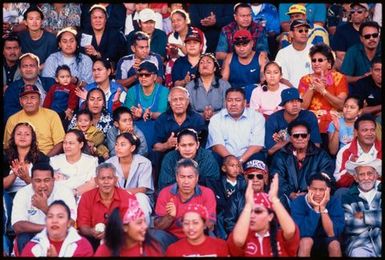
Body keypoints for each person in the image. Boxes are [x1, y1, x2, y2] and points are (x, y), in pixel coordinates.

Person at [11, 163, 77, 255]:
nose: (42, 185)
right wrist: (48, 228)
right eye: (38, 181)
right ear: (32, 181)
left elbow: (70, 223)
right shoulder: (22, 193)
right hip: (33, 236)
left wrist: (45, 208)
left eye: (47, 180)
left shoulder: (65, 192)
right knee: (23, 238)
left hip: (59, 235)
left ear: (53, 180)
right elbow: (18, 226)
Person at [227, 174, 300, 256]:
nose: (252, 216)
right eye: (250, 212)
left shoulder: (280, 237)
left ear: (270, 216)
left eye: (258, 211)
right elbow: (238, 241)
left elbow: (290, 231)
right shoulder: (244, 237)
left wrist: (274, 199)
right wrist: (248, 206)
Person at [270, 120, 335, 210]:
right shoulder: (281, 155)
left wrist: (309, 193)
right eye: (296, 136)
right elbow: (277, 178)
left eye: (303, 135)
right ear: (290, 138)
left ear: (308, 137)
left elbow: (326, 177)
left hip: (313, 196)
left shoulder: (321, 155)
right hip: (287, 198)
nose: (300, 138)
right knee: (277, 198)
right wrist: (290, 194)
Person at [76, 162, 138, 251]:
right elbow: (83, 226)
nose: (106, 182)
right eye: (102, 178)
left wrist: (111, 233)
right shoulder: (86, 197)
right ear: (96, 180)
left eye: (110, 178)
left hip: (120, 239)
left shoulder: (128, 197)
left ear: (116, 180)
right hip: (94, 239)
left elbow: (133, 225)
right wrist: (91, 231)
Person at [298, 43, 348, 149]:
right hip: (312, 127)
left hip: (334, 126)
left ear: (329, 63)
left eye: (320, 60)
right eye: (313, 60)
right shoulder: (305, 80)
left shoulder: (339, 78)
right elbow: (302, 107)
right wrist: (312, 88)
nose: (316, 63)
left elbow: (341, 105)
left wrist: (323, 91)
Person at [154, 159, 217, 242]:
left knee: (212, 238)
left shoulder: (207, 193)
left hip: (198, 236)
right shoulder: (165, 193)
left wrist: (194, 219)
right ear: (176, 177)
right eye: (182, 177)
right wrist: (170, 217)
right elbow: (158, 227)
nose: (186, 182)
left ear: (197, 178)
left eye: (190, 177)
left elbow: (210, 225)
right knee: (156, 236)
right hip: (172, 237)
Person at [152, 87, 207, 174]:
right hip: (169, 156)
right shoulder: (162, 119)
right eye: (174, 100)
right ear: (170, 103)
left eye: (181, 99)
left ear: (187, 101)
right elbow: (155, 147)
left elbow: (201, 145)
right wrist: (167, 145)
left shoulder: (197, 119)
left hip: (193, 154)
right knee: (156, 155)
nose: (178, 103)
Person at [206, 87, 265, 166]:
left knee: (258, 157)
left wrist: (240, 161)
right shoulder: (216, 119)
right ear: (225, 102)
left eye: (238, 100)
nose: (233, 104)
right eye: (229, 100)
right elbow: (217, 145)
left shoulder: (257, 117)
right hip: (224, 158)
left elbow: (257, 146)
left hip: (248, 158)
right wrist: (232, 163)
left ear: (244, 103)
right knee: (213, 157)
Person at [291, 173, 344, 257]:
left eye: (322, 190)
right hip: (305, 241)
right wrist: (315, 209)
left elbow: (332, 233)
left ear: (328, 190)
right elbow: (303, 232)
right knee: (306, 242)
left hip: (326, 240)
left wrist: (322, 208)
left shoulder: (334, 202)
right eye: (314, 189)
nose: (317, 193)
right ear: (308, 189)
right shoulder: (298, 202)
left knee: (335, 244)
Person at [4, 84, 65, 157]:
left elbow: (60, 143)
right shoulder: (12, 119)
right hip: (22, 161)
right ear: (20, 101)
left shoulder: (52, 115)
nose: (29, 101)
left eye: (33, 97)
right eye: (25, 98)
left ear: (40, 100)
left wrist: (45, 160)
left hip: (49, 159)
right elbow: (7, 147)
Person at [120, 61, 169, 150]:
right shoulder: (132, 91)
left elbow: (164, 114)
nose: (143, 77)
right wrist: (134, 116)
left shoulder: (163, 91)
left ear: (154, 77)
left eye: (147, 75)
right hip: (135, 129)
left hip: (157, 128)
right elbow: (126, 114)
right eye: (140, 75)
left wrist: (150, 114)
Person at [21, 200, 93, 257]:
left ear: (68, 223)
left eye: (60, 217)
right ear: (45, 221)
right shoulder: (33, 246)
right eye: (50, 216)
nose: (54, 221)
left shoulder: (82, 246)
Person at [94, 199, 164, 256]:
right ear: (124, 227)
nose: (145, 226)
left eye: (144, 221)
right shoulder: (105, 251)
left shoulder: (152, 248)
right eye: (139, 223)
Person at [342, 157, 382, 257]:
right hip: (359, 244)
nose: (366, 178)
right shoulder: (347, 197)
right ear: (356, 178)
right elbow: (348, 226)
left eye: (369, 173)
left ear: (376, 175)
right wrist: (377, 219)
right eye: (361, 174)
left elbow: (355, 221)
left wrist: (364, 216)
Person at [105, 132, 153, 215]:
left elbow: (143, 189)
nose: (118, 148)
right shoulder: (109, 163)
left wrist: (121, 193)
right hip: (115, 198)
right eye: (116, 144)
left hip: (138, 197)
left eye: (122, 145)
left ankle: (142, 227)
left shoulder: (144, 163)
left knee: (140, 197)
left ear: (132, 148)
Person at [265, 88, 321, 157]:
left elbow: (316, 146)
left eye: (297, 101)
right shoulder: (273, 119)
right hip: (282, 158)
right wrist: (292, 140)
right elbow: (270, 150)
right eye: (290, 101)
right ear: (283, 105)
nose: (295, 104)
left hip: (306, 157)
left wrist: (285, 141)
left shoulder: (309, 116)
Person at [3, 52, 55, 123]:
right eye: (25, 66)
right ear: (20, 69)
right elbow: (10, 114)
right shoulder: (12, 89)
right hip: (24, 127)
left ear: (38, 68)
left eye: (32, 65)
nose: (28, 69)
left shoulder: (50, 83)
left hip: (49, 122)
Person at [223, 159, 269, 239]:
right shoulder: (236, 197)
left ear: (265, 178)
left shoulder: (274, 197)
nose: (255, 179)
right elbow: (229, 223)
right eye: (251, 176)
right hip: (242, 240)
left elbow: (280, 225)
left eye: (259, 176)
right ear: (246, 178)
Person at [204, 155, 246, 239]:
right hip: (223, 215)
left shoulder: (244, 182)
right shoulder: (219, 184)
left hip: (239, 213)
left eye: (238, 166)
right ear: (224, 168)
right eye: (232, 166)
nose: (236, 168)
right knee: (219, 217)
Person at [334, 113, 381, 189]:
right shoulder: (345, 151)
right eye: (365, 130)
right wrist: (351, 168)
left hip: (379, 188)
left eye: (372, 130)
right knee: (341, 192)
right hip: (354, 190)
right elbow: (339, 182)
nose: (370, 133)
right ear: (356, 132)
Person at [221, 29, 268, 103]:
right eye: (238, 45)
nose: (241, 49)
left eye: (245, 45)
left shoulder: (261, 58)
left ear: (252, 43)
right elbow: (223, 83)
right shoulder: (229, 58)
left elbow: (265, 83)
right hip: (234, 98)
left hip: (255, 97)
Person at [3, 122, 49, 196]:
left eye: (27, 134)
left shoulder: (40, 157)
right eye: (19, 134)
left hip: (31, 195)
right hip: (8, 196)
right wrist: (14, 174)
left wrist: (26, 178)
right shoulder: (5, 156)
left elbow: (44, 187)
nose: (22, 137)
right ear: (13, 137)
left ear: (32, 138)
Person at [49, 129, 98, 198]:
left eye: (71, 143)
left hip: (83, 200)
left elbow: (92, 184)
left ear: (81, 144)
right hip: (58, 199)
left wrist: (73, 193)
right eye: (64, 143)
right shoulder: (54, 161)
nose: (67, 146)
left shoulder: (91, 161)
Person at [186, 53, 231, 121]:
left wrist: (215, 115)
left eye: (209, 62)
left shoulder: (224, 85)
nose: (205, 64)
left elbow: (228, 107)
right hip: (196, 122)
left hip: (221, 122)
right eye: (201, 62)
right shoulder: (190, 86)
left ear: (214, 68)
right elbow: (189, 109)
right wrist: (202, 116)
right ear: (198, 69)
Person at [81, 4, 127, 68]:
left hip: (110, 71)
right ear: (90, 20)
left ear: (105, 19)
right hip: (88, 70)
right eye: (94, 17)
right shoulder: (84, 34)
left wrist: (97, 54)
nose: (98, 20)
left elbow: (119, 57)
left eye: (100, 17)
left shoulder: (116, 35)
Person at [275, 19, 313, 89]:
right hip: (291, 94)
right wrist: (296, 94)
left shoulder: (315, 50)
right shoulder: (282, 53)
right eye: (300, 30)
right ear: (291, 34)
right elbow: (282, 79)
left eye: (306, 31)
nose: (304, 33)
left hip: (312, 91)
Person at [340, 21, 381, 86]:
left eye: (375, 35)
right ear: (361, 38)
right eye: (367, 36)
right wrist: (363, 78)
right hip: (360, 90)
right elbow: (343, 78)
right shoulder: (353, 51)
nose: (372, 39)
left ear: (379, 37)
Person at [331, 3, 370, 70]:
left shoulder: (372, 29)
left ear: (366, 14)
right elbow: (340, 55)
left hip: (369, 65)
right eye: (352, 11)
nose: (355, 13)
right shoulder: (342, 30)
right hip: (349, 65)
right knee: (337, 62)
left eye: (359, 11)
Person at [42, 65, 78, 129]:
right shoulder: (54, 87)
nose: (65, 79)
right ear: (56, 79)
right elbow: (48, 99)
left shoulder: (72, 87)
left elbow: (73, 100)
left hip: (65, 113)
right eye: (62, 77)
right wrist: (45, 110)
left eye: (68, 76)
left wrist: (70, 109)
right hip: (52, 112)